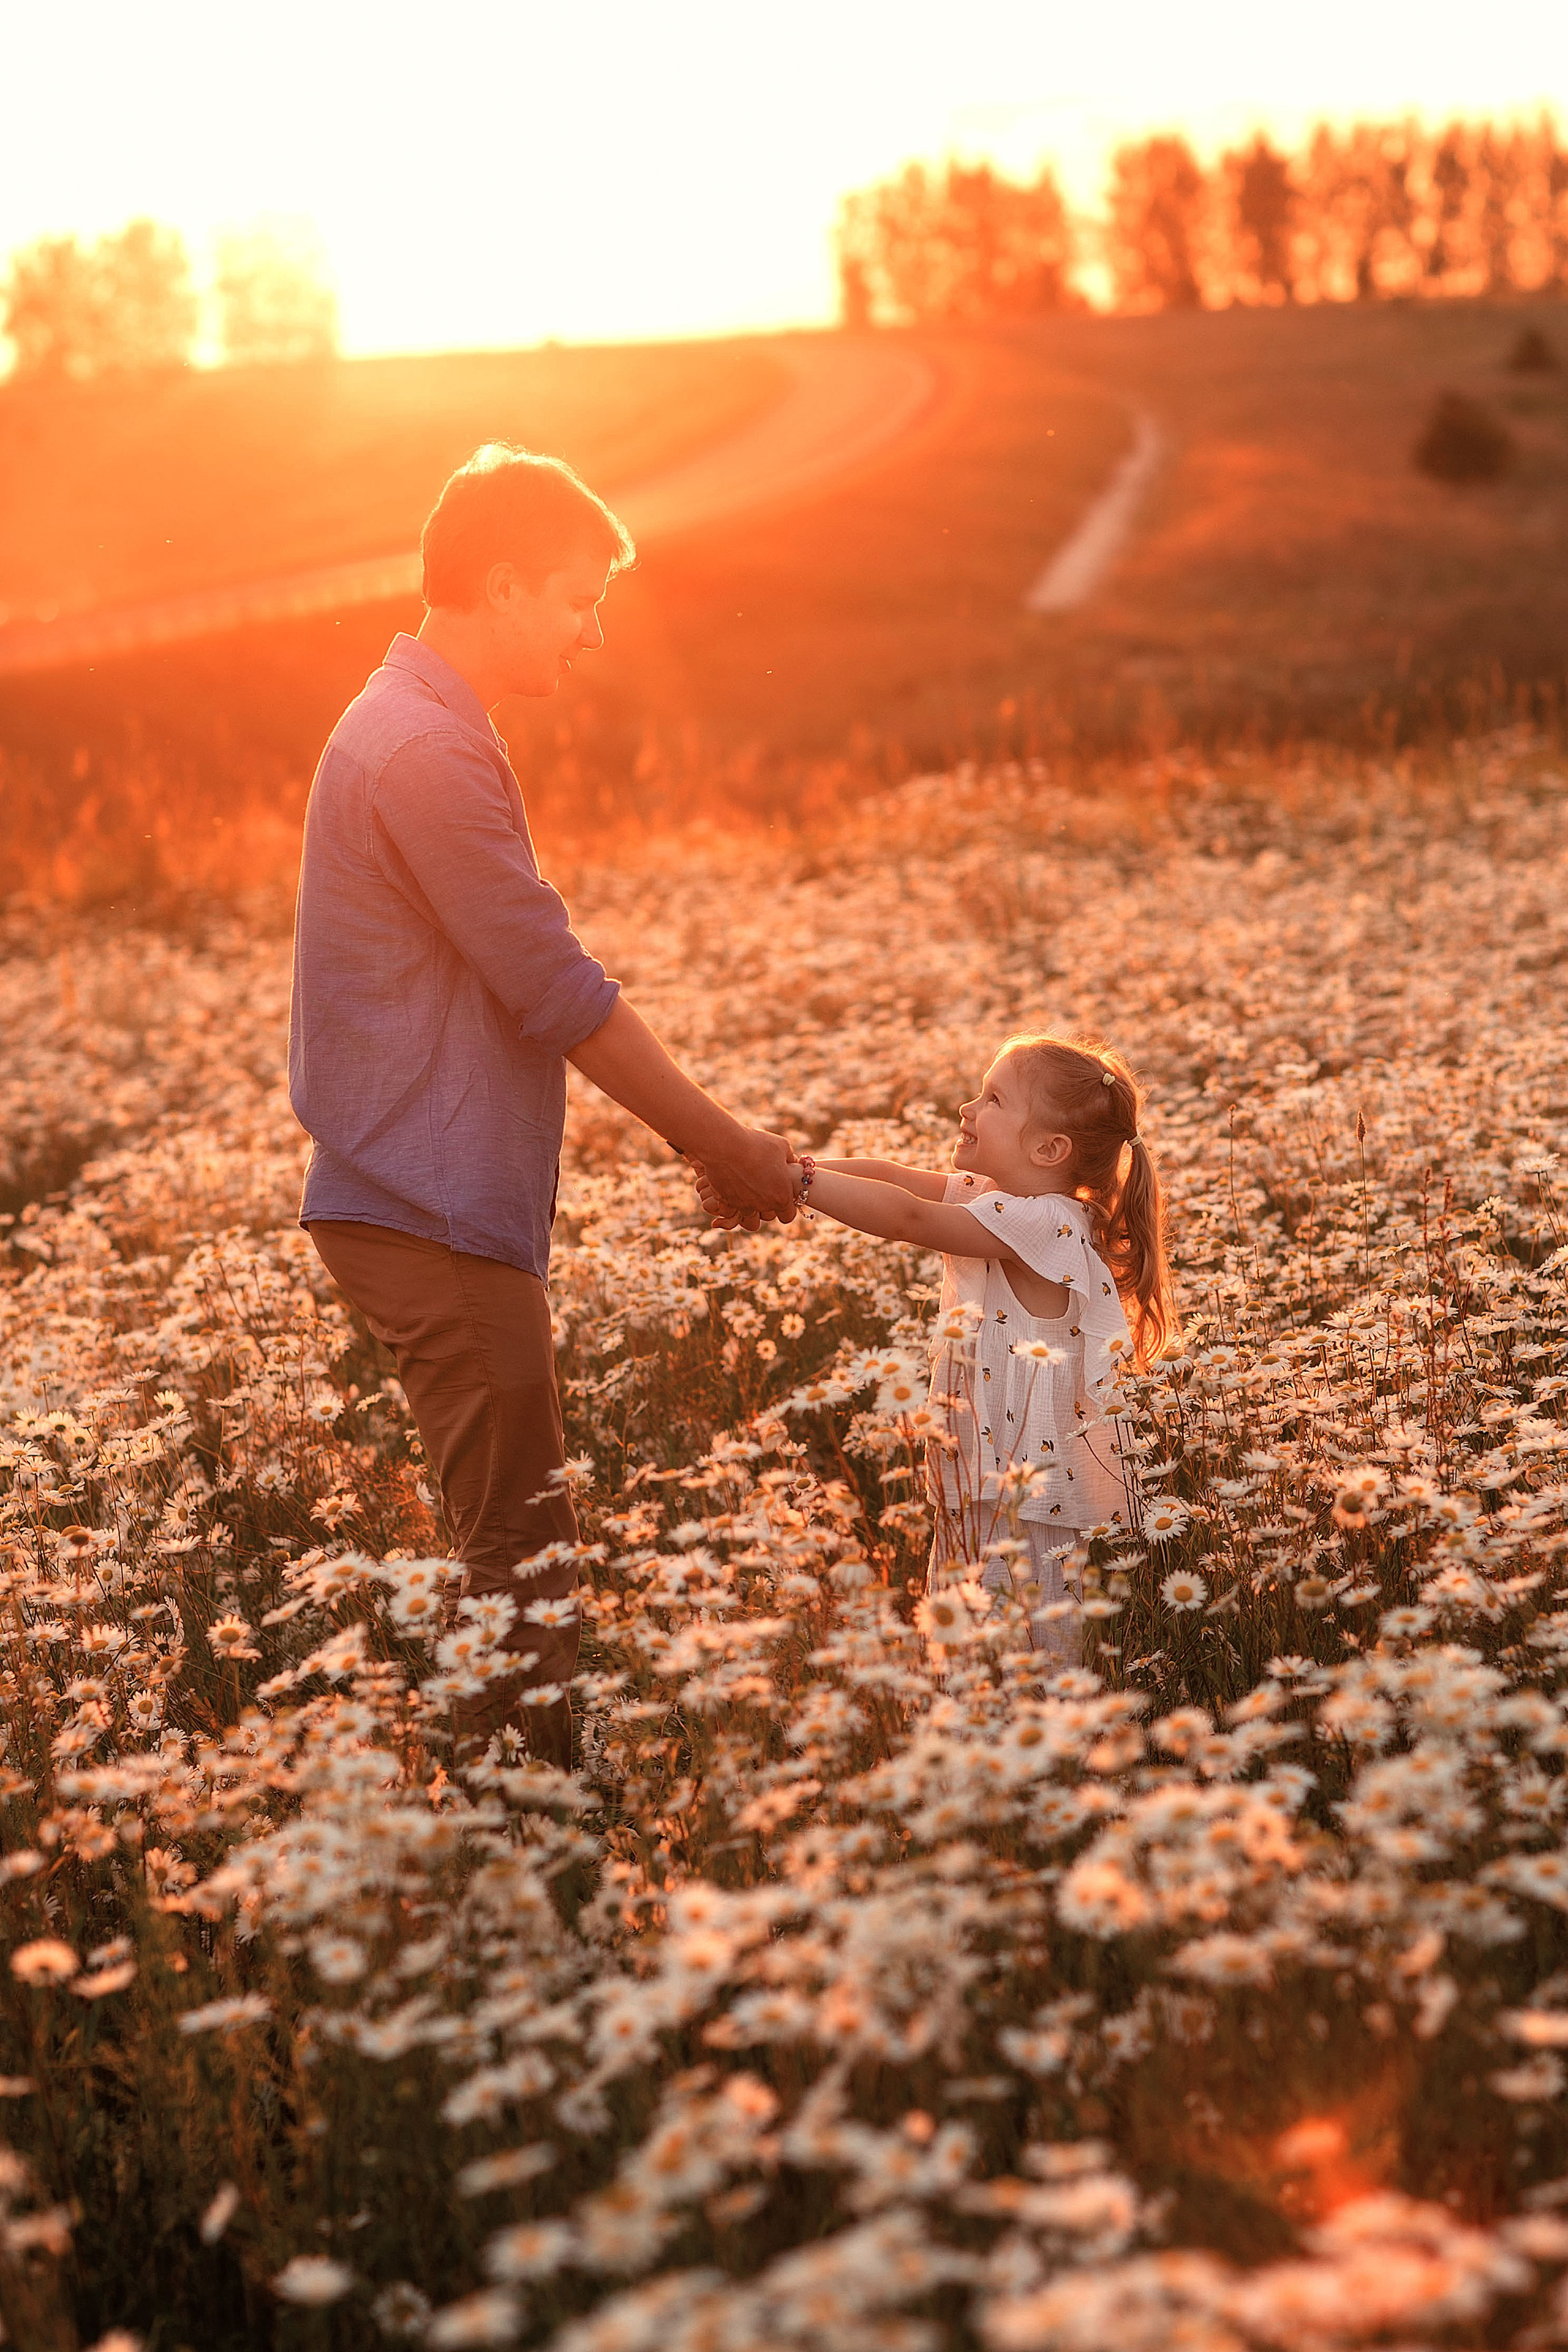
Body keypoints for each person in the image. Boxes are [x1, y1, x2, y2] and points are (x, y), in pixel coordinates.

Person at [289, 443, 797, 1766]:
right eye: (576, 599)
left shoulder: (423, 723)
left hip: (429, 1198)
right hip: (429, 1206)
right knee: (522, 1568)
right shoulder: (422, 751)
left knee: (514, 1551)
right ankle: (532, 1873)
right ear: (502, 585)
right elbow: (552, 990)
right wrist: (721, 1143)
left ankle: (514, 1856)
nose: (593, 630)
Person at [699, 1034, 1177, 1656]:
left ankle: (1050, 1752)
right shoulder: (1003, 1201)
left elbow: (909, 1218)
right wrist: (787, 1173)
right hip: (983, 1485)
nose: (967, 1109)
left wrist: (795, 1187)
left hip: (1025, 1505)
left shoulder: (1050, 1221)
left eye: (994, 1099)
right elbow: (898, 1181)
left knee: (1025, 1664)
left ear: (1049, 1148)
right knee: (968, 1657)